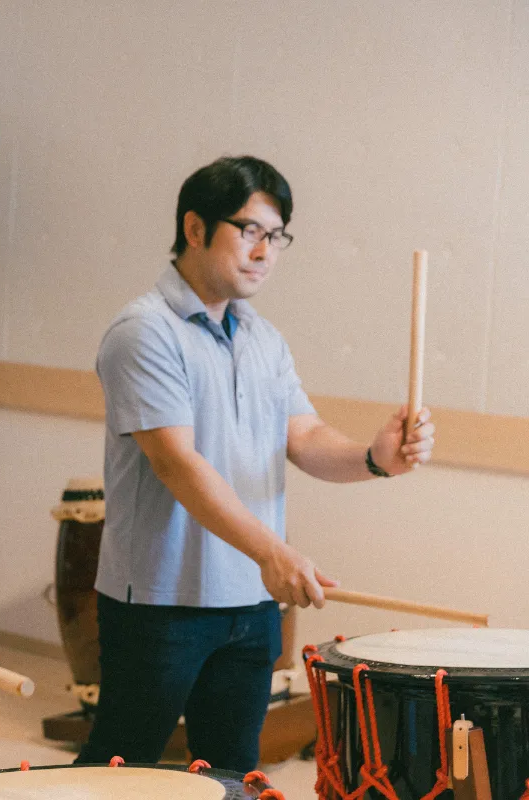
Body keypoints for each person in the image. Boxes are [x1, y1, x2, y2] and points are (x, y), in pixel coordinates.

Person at [76, 156, 435, 772]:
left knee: (233, 772)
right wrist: (273, 552)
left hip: (249, 604)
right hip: (162, 603)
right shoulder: (144, 332)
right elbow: (178, 464)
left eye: (276, 236)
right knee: (121, 769)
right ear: (195, 229)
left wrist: (376, 458)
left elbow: (304, 435)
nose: (265, 251)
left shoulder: (262, 338)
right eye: (250, 231)